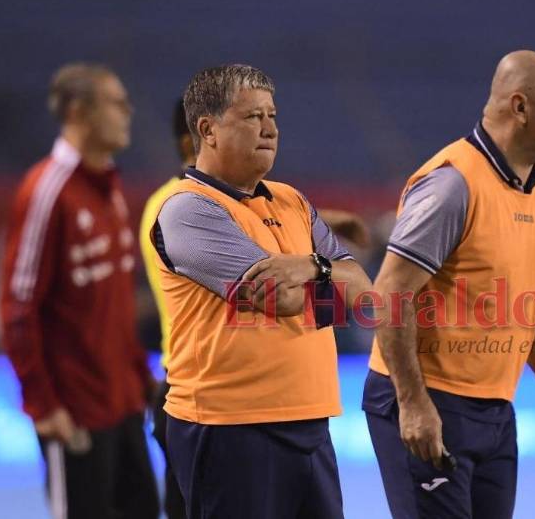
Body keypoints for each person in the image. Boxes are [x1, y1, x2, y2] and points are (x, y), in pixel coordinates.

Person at [363, 50, 535, 519]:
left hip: (493, 413)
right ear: (521, 107)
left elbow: (534, 305)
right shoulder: (453, 185)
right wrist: (412, 404)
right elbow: (390, 295)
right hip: (426, 398)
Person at [142, 64, 372, 519]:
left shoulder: (292, 200)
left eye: (273, 116)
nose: (270, 129)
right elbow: (281, 301)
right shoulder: (188, 210)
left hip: (310, 420)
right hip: (231, 427)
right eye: (253, 117)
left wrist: (311, 265)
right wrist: (329, 274)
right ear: (207, 129)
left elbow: (363, 295)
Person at [0, 63, 159, 519]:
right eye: (116, 102)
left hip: (124, 404)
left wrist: (140, 378)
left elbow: (115, 305)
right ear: (78, 111)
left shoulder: (108, 187)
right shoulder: (47, 190)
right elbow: (18, 307)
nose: (128, 111)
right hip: (75, 412)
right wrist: (43, 405)